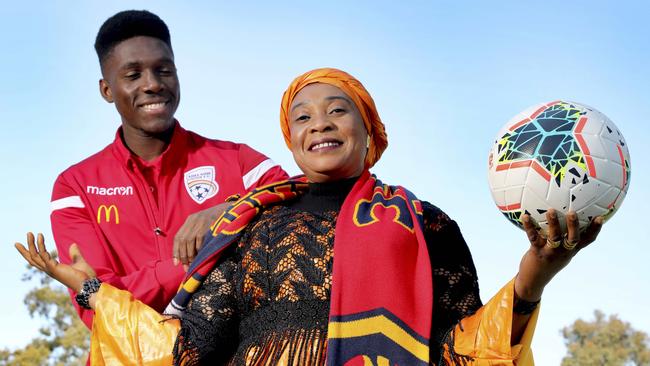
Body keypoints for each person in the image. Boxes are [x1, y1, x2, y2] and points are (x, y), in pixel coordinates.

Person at [20, 68, 604, 365]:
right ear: (291, 140)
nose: (318, 123)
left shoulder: (426, 225)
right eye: (301, 117)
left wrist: (535, 275)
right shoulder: (251, 227)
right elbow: (188, 350)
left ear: (368, 131)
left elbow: (463, 350)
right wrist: (96, 291)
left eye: (335, 110)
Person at [49, 10, 287, 328]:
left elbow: (299, 202)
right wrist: (210, 251)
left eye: (164, 70)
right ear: (107, 90)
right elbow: (97, 308)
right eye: (133, 75)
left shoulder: (238, 161)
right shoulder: (74, 187)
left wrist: (227, 212)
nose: (153, 85)